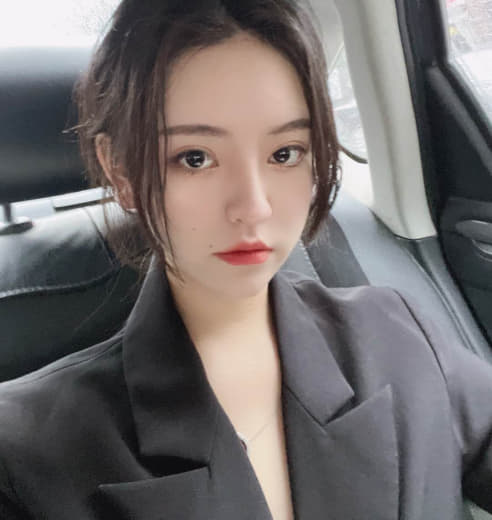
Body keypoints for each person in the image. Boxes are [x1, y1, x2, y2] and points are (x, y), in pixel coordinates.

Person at [0, 0, 492, 519]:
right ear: (120, 169)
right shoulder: (26, 453)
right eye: (195, 158)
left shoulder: (399, 336)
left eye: (285, 153)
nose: (254, 206)